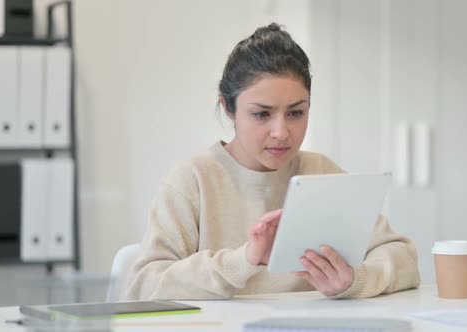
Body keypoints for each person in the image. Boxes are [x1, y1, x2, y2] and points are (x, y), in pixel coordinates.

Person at [123, 23, 420, 301]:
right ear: (228, 108)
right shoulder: (192, 180)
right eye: (261, 114)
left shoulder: (320, 173)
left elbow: (402, 257)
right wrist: (245, 260)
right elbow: (142, 286)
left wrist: (355, 281)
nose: (281, 133)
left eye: (295, 113)